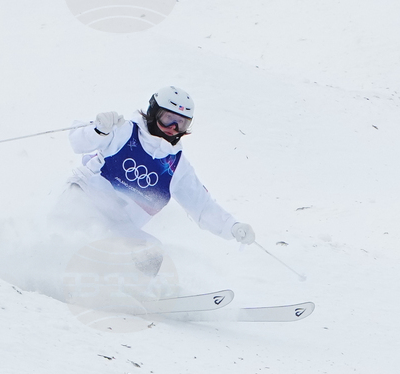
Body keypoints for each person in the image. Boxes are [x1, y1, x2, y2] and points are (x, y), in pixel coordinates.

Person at [60, 86, 255, 257]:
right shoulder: (125, 131)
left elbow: (201, 206)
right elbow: (77, 142)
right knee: (84, 232)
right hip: (82, 202)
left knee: (151, 253)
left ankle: (134, 293)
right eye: (168, 118)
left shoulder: (176, 167)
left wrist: (232, 226)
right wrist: (99, 131)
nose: (173, 128)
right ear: (153, 113)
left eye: (182, 123)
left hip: (117, 227)